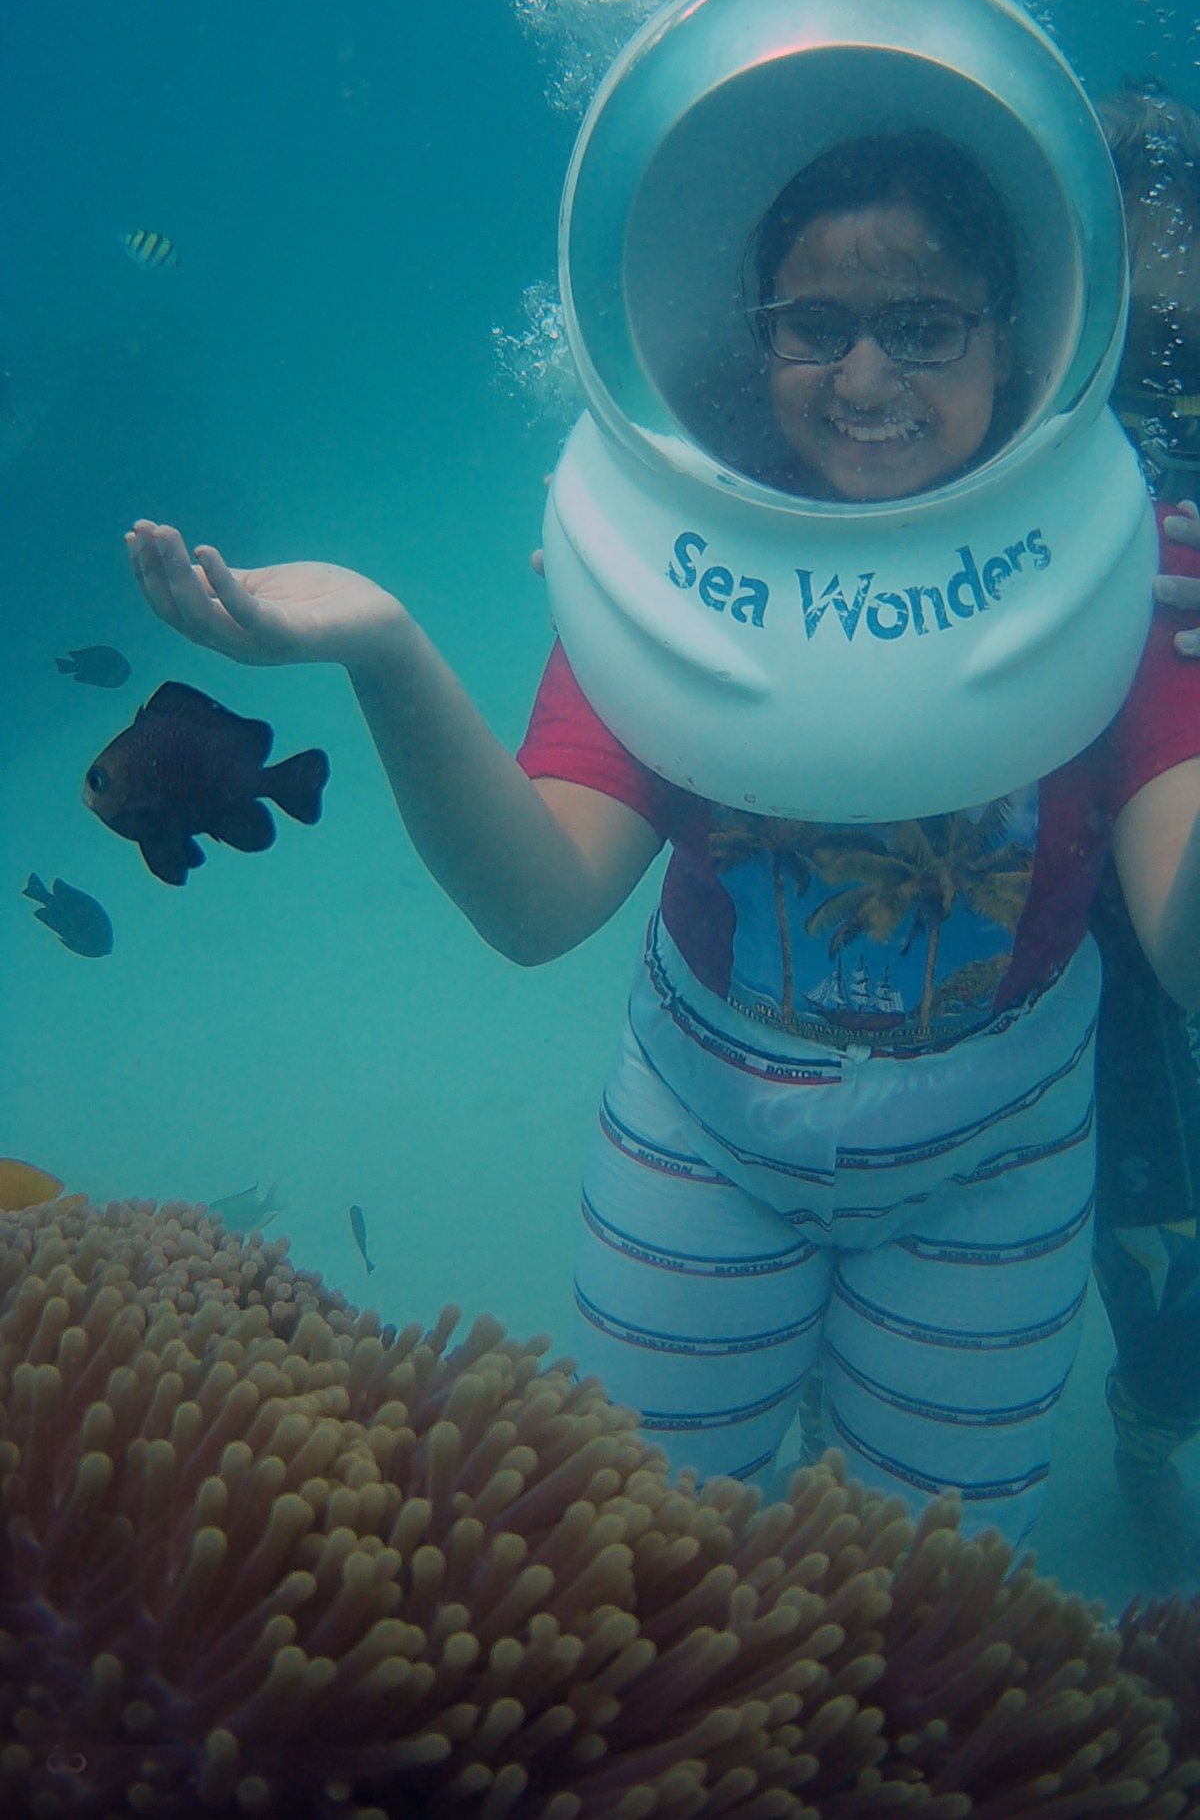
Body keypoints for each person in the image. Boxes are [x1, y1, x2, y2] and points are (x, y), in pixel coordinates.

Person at [127, 126, 1200, 1548]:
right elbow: (538, 900)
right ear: (756, 341)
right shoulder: (677, 568)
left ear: (1020, 341)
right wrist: (383, 650)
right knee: (653, 1548)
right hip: (702, 1130)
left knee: (934, 1584)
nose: (868, 377)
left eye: (927, 326)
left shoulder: (1120, 569)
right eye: (817, 324)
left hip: (997, 1151)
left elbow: (1185, 951)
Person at [1089, 79, 1200, 1572]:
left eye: (1168, 168)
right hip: (1077, 822)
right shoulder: (1036, 350)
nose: (1149, 200)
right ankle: (1147, 1413)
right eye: (1115, 172)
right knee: (1149, 1188)